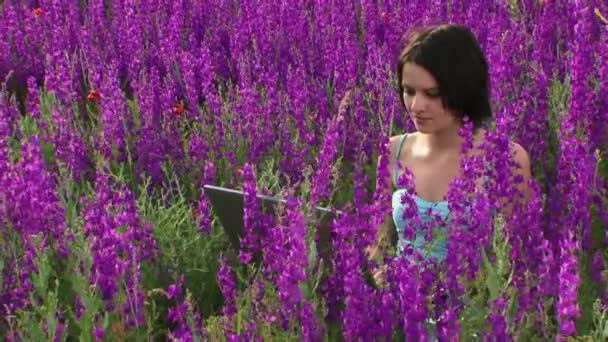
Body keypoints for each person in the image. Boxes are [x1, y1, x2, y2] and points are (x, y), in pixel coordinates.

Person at [368, 24, 532, 284]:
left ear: (463, 89)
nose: (416, 106)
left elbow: (521, 259)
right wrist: (376, 272)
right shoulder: (393, 151)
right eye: (408, 90)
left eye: (431, 94)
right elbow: (379, 242)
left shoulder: (506, 158)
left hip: (474, 317)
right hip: (404, 315)